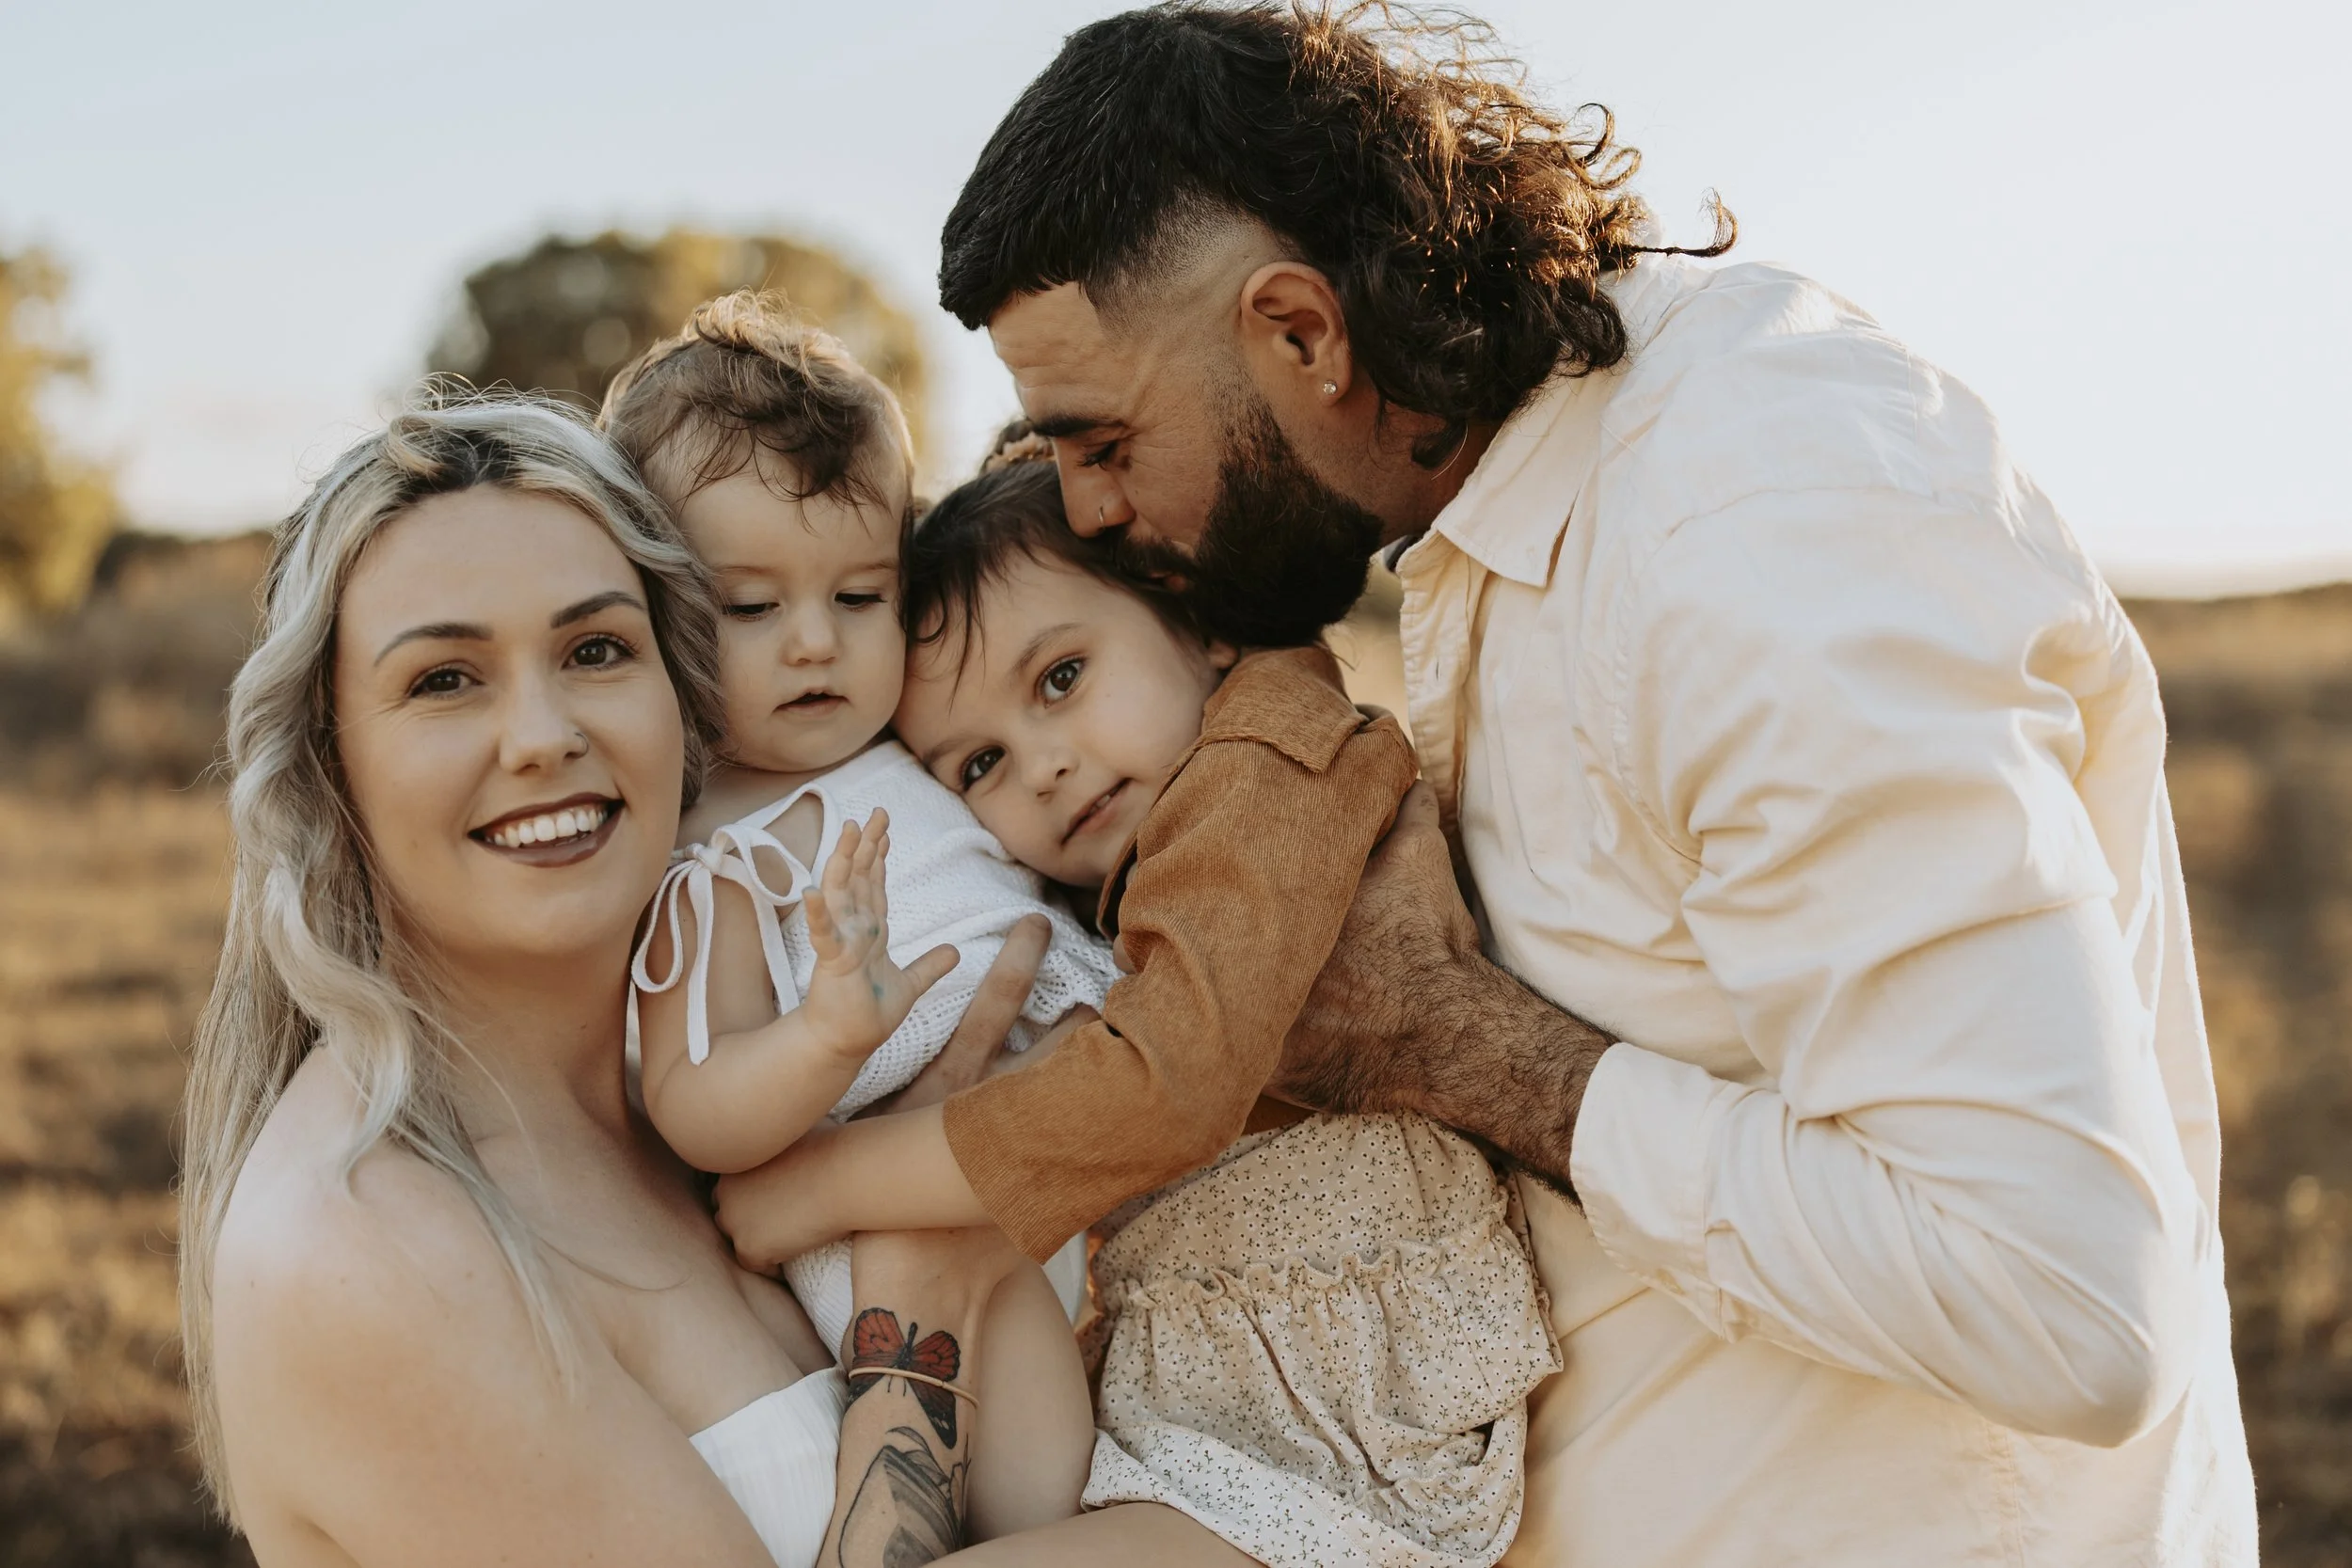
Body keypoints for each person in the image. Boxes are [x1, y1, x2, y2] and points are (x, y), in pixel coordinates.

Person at [917, 5, 2258, 1565]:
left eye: (1099, 438)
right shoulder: (1508, 512)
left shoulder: (1750, 526)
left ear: (1300, 333)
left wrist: (1453, 1045)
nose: (1083, 506)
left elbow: (2068, 1300)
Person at [176, 392, 1043, 1566]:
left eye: (595, 650)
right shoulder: (359, 1246)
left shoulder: (736, 1073)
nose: (541, 733)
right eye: (444, 679)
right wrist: (919, 1311)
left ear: (685, 703)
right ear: (330, 768)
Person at [718, 439, 1560, 1568]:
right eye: (978, 765)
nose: (1045, 766)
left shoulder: (1269, 755)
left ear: (1198, 617)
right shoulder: (1114, 872)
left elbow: (1168, 1082)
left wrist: (819, 1185)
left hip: (1338, 1413)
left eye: (1061, 677)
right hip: (1197, 1399)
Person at [596, 295, 1112, 1536]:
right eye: (752, 607)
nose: (816, 643)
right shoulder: (714, 856)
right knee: (1044, 1484)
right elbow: (694, 1096)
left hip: (1060, 1145)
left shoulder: (917, 744)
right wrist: (827, 1033)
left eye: (861, 595)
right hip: (891, 1206)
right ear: (657, 608)